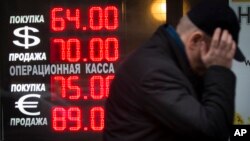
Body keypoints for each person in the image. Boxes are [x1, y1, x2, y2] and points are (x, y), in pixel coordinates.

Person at [103, 0, 245, 141]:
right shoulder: (155, 72)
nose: (223, 60)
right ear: (195, 40)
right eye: (217, 51)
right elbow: (212, 131)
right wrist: (219, 69)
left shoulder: (171, 63)